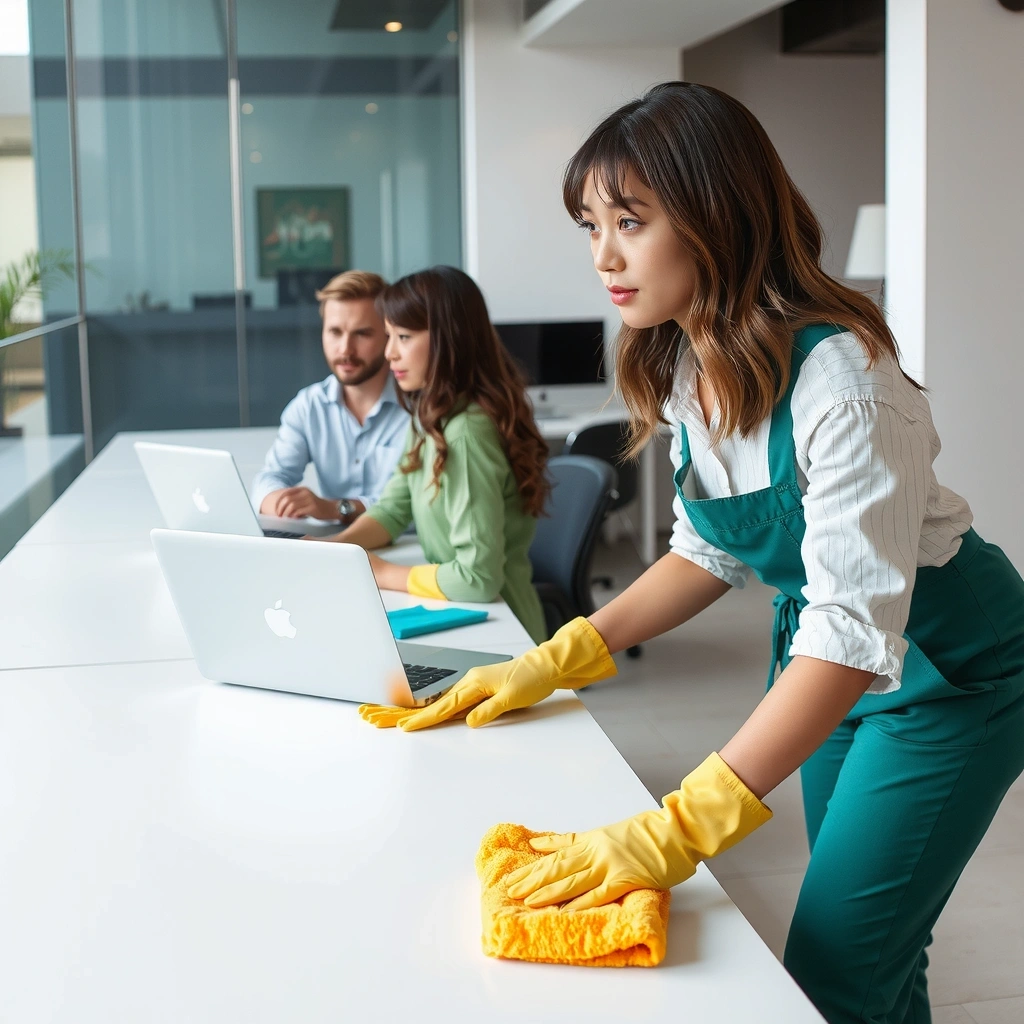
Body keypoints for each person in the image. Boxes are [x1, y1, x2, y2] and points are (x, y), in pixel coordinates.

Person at [358, 84, 1024, 1024]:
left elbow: (850, 628)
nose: (603, 256)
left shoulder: (848, 384)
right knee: (878, 948)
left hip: (950, 678)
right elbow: (705, 551)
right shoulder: (687, 364)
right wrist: (558, 658)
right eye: (592, 224)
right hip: (825, 665)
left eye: (630, 221)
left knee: (838, 960)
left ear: (717, 215)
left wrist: (681, 826)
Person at [319, 266, 549, 646]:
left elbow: (477, 579)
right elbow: (393, 509)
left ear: (448, 340)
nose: (390, 352)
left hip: (502, 634)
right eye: (389, 335)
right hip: (468, 614)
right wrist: (338, 548)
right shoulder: (433, 415)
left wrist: (381, 572)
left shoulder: (465, 433)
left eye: (404, 337)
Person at [251, 270, 409, 525]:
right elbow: (269, 477)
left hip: (406, 550)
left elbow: (416, 506)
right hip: (334, 549)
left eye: (362, 333)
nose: (345, 349)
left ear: (388, 334)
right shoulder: (309, 406)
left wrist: (337, 508)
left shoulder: (420, 408)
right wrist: (279, 501)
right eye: (335, 332)